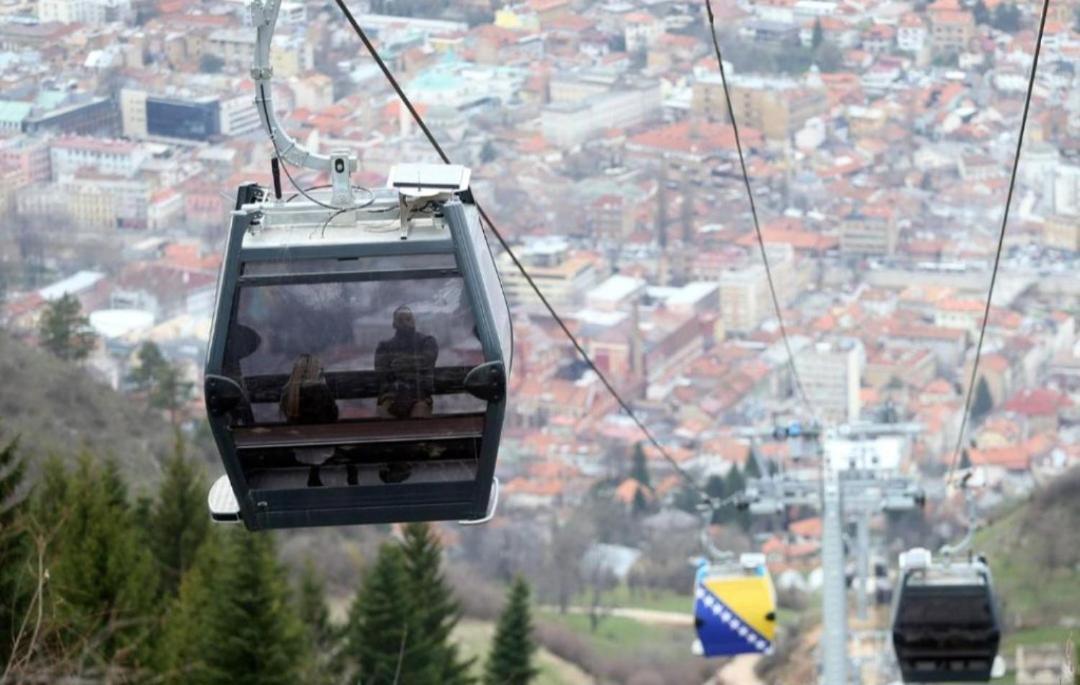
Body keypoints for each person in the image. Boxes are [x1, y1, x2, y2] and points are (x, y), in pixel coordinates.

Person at [374, 306, 439, 483]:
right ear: (393, 323)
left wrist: (399, 363)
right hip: (392, 395)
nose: (405, 323)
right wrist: (411, 366)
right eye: (401, 319)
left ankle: (402, 461)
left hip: (418, 395)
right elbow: (382, 372)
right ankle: (399, 462)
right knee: (387, 415)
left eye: (408, 319)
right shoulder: (384, 345)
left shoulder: (427, 341)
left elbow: (426, 362)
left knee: (417, 418)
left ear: (414, 320)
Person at [280, 354, 338, 487]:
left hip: (299, 449)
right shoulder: (321, 392)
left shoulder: (289, 392)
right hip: (324, 448)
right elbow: (333, 416)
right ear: (317, 371)